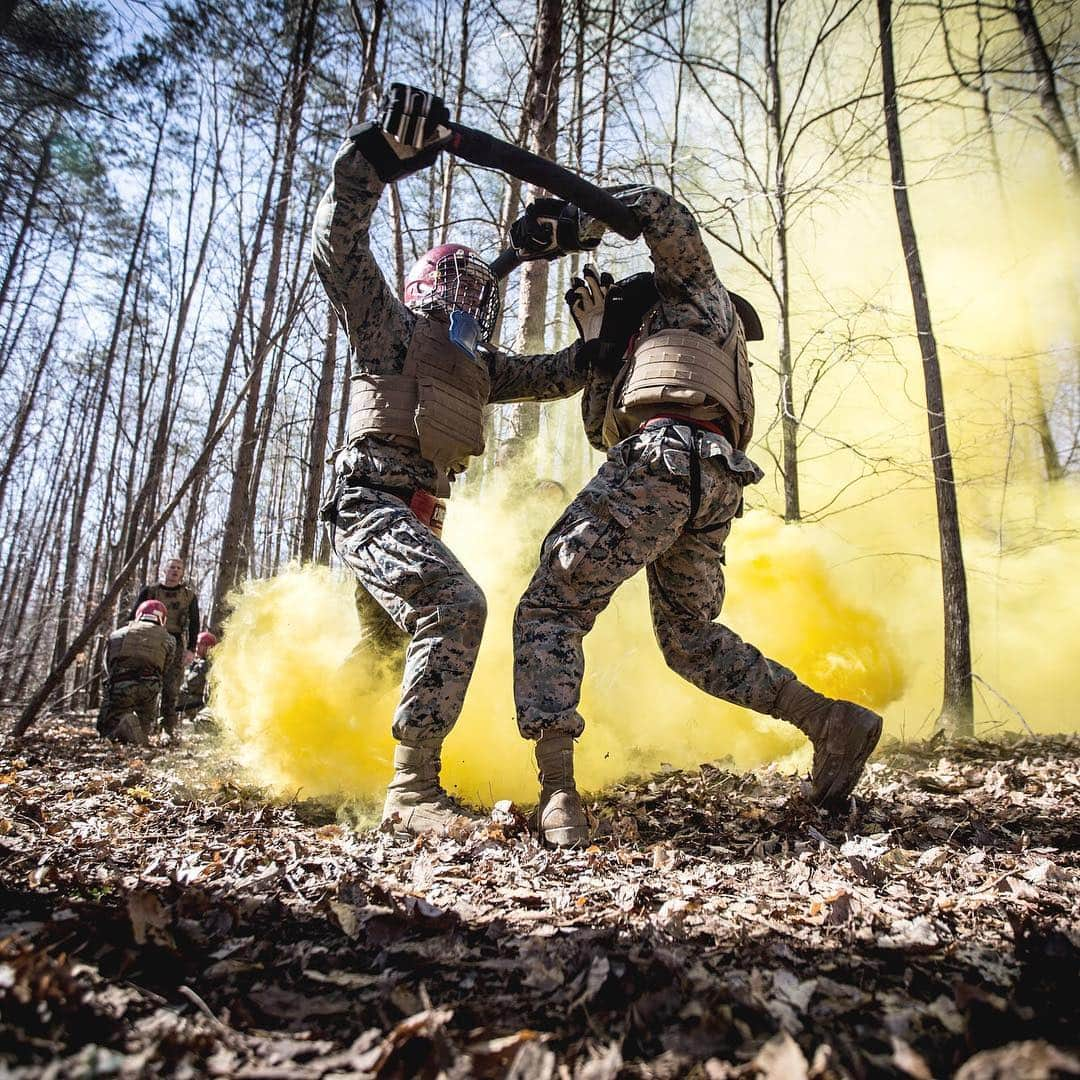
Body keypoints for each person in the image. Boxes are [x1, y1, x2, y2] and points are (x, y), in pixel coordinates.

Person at [507, 190, 883, 846]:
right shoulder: (690, 355)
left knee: (550, 609)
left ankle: (559, 794)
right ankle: (830, 722)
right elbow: (604, 432)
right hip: (712, 479)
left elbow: (656, 207)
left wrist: (574, 222)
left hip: (664, 458)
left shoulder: (695, 295)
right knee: (689, 637)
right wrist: (596, 342)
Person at [311, 83, 589, 834]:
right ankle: (411, 791)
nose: (470, 294)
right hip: (368, 505)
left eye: (479, 284)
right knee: (454, 605)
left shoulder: (481, 367)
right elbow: (337, 245)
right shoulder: (387, 327)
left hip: (419, 522)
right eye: (456, 281)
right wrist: (372, 158)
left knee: (378, 655)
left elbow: (557, 375)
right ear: (427, 287)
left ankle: (312, 758)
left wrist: (601, 336)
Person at [131, 557, 199, 739]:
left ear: (182, 572)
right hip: (149, 643)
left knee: (171, 688)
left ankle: (166, 730)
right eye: (171, 567)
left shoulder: (189, 596)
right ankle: (141, 729)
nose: (175, 570)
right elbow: (133, 618)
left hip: (175, 643)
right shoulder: (150, 591)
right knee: (146, 684)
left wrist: (191, 649)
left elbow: (194, 625)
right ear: (164, 570)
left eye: (179, 568)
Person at [97, 600, 175, 747]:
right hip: (149, 688)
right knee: (143, 725)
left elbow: (108, 666)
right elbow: (165, 667)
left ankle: (117, 730)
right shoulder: (169, 639)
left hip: (121, 686)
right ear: (162, 618)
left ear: (139, 614)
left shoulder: (118, 634)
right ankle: (139, 733)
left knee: (106, 728)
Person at [179, 630, 217, 721]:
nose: (197, 647)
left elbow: (189, 685)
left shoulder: (204, 665)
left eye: (200, 644)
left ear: (209, 647)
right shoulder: (209, 662)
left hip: (199, 702)